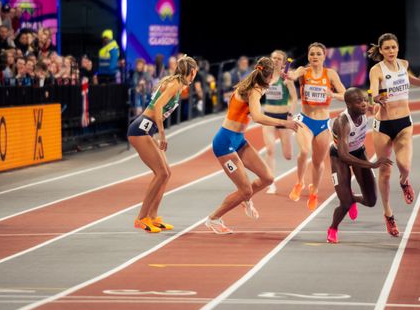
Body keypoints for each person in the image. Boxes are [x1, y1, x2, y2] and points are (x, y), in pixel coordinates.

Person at [205, 57, 301, 234]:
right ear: (268, 75)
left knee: (267, 178)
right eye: (273, 76)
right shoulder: (253, 90)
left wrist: (281, 73)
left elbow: (272, 79)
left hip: (238, 139)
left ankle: (245, 199)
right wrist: (284, 123)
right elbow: (257, 117)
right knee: (245, 190)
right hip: (225, 142)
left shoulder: (255, 83)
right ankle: (213, 219)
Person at [368, 33, 420, 237]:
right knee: (385, 172)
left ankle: (405, 181)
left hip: (404, 122)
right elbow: (372, 90)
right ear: (381, 51)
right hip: (383, 125)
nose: (390, 51)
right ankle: (388, 214)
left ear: (398, 48)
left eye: (393, 47)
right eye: (386, 48)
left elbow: (408, 78)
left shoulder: (404, 64)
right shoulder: (376, 70)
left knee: (405, 165)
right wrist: (374, 100)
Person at [127, 56, 198, 233]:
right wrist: (162, 135)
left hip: (146, 129)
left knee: (166, 173)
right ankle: (141, 218)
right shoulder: (175, 85)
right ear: (192, 72)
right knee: (161, 173)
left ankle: (152, 216)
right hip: (140, 129)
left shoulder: (177, 84)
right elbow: (158, 107)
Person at [327, 88, 393, 243]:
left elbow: (370, 101)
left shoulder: (364, 109)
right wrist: (371, 164)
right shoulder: (342, 122)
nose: (364, 104)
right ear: (348, 105)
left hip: (358, 151)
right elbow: (344, 155)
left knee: (371, 201)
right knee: (345, 203)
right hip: (339, 157)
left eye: (364, 100)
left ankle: (354, 198)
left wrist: (374, 99)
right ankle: (333, 228)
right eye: (359, 102)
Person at [287, 42, 346, 210]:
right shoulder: (303, 72)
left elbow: (345, 94)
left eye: (318, 54)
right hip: (305, 120)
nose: (314, 57)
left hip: (322, 123)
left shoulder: (331, 74)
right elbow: (293, 74)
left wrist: (333, 94)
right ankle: (299, 183)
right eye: (312, 54)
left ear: (324, 56)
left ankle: (314, 191)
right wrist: (290, 76)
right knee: (304, 151)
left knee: (318, 162)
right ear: (308, 56)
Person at [262, 50, 298, 194]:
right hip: (268, 116)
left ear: (284, 62)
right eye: (274, 58)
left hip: (283, 117)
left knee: (288, 155)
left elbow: (295, 98)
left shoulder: (286, 78)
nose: (276, 60)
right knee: (269, 150)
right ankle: (271, 183)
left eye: (279, 58)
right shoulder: (265, 76)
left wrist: (290, 114)